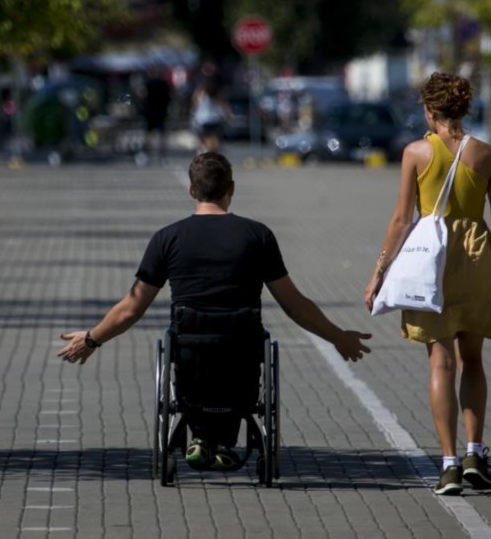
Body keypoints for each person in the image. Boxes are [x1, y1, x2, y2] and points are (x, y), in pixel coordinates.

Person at [59, 152, 371, 470]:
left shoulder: (167, 238)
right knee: (243, 350)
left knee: (188, 347)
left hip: (190, 353)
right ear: (231, 188)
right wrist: (338, 337)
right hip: (242, 352)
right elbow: (294, 305)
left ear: (191, 190)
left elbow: (131, 308)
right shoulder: (257, 236)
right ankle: (222, 443)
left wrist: (92, 339)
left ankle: (202, 437)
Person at [364, 72, 491, 496]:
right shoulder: (488, 154)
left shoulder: (416, 153)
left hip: (431, 263)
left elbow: (402, 220)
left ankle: (449, 465)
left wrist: (379, 272)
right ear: (463, 109)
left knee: (441, 362)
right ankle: (475, 453)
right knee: (472, 360)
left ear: (430, 110)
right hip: (477, 257)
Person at [139, 65, 172, 161]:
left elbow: (142, 94)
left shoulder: (148, 83)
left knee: (148, 134)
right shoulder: (163, 83)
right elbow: (170, 95)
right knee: (162, 134)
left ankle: (146, 154)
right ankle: (163, 155)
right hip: (161, 111)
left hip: (150, 111)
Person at [190, 74, 229, 153]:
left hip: (203, 119)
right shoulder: (218, 93)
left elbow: (194, 104)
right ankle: (211, 152)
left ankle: (206, 152)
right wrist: (227, 117)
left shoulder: (200, 92)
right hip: (215, 119)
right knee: (213, 141)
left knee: (205, 140)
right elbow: (223, 107)